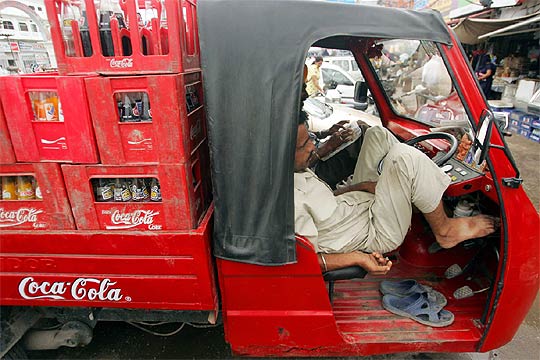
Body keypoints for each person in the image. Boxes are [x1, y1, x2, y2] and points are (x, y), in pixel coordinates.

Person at [294, 111, 498, 275]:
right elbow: (304, 260)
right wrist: (360, 257)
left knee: (377, 135)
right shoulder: (285, 203)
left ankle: (419, 196)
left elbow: (322, 201)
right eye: (304, 145)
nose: (313, 146)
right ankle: (445, 230)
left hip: (352, 206)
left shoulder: (289, 170)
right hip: (374, 231)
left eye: (310, 138)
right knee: (405, 158)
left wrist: (359, 187)